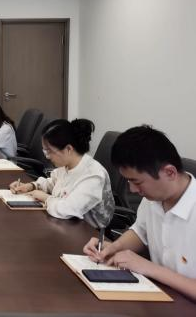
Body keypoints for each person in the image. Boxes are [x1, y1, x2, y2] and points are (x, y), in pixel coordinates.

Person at [83, 125, 196, 300]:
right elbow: (140, 232)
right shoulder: (154, 198)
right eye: (128, 181)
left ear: (169, 172)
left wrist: (149, 268)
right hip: (161, 297)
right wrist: (113, 248)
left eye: (137, 182)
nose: (132, 190)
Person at [9, 119, 115, 228]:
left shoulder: (93, 176)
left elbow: (66, 209)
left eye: (49, 151)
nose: (47, 157)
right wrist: (30, 186)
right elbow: (52, 183)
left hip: (88, 231)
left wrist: (45, 198)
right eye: (45, 151)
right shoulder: (66, 165)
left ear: (68, 149)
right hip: (65, 224)